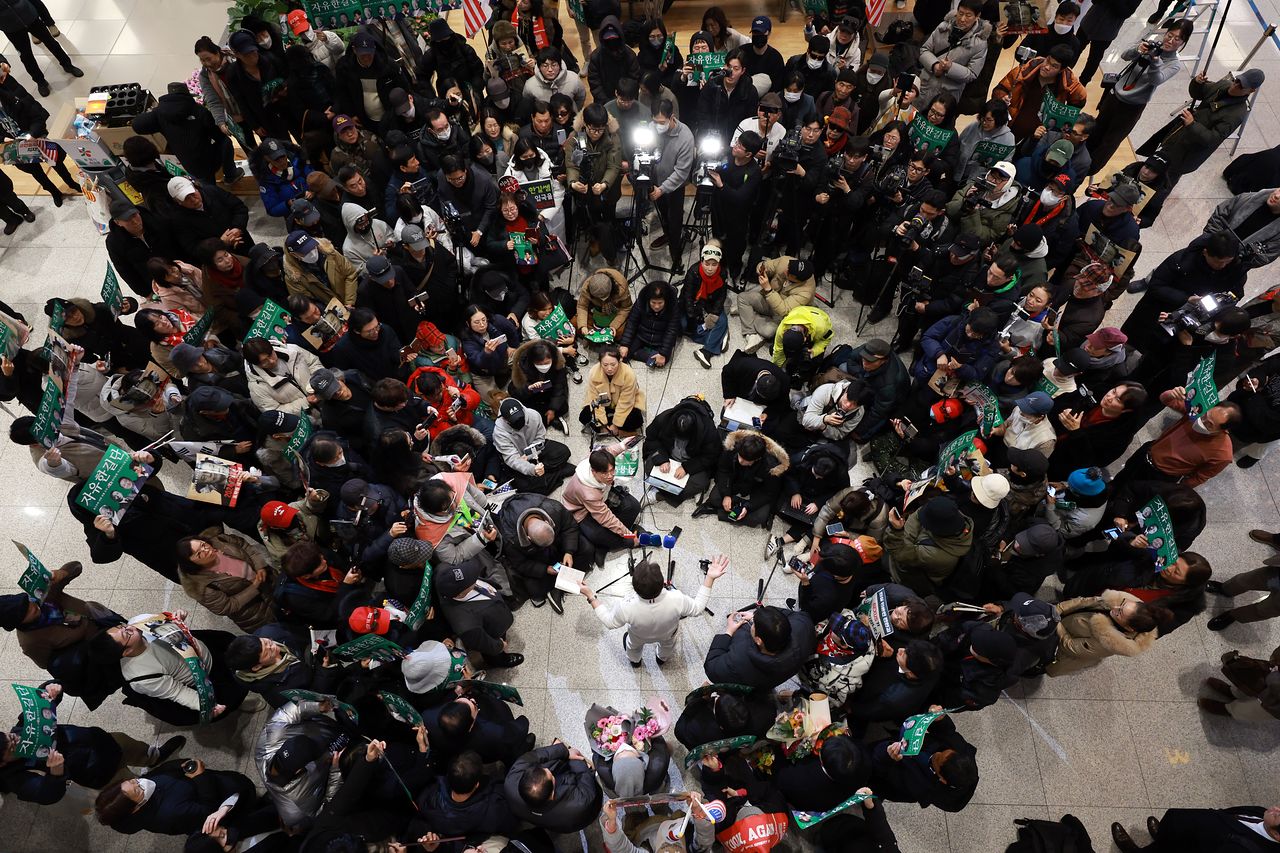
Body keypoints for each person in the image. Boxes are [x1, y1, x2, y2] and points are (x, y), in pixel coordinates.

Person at [91, 611, 259, 726]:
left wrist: (178, 616)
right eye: (126, 634)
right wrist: (208, 705)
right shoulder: (140, 677)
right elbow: (178, 692)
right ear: (126, 652)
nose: (130, 627)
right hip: (204, 675)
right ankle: (241, 701)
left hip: (203, 646)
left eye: (122, 626)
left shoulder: (137, 622)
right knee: (233, 691)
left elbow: (168, 622)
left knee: (234, 651)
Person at [1088, 20, 1193, 174]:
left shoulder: (1174, 64)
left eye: (1177, 39)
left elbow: (1156, 79)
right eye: (1170, 35)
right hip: (1114, 96)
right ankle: (1080, 159)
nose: (1170, 41)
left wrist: (1155, 61)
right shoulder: (1151, 44)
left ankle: (1090, 169)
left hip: (1132, 107)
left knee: (1110, 141)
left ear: (1183, 42)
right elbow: (1124, 56)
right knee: (1097, 128)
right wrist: (1138, 49)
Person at [583, 555, 727, 667]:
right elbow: (697, 608)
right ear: (662, 583)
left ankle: (635, 661)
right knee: (667, 646)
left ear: (634, 587)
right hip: (668, 634)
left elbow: (609, 622)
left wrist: (591, 596)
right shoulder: (677, 598)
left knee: (632, 646)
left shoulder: (626, 606)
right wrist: (709, 577)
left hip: (638, 636)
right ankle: (661, 659)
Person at [1139, 70, 1263, 189]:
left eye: (1241, 86)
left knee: (1165, 181)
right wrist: (1197, 83)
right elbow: (1198, 93)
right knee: (1152, 166)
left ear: (1251, 90)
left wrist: (1192, 125)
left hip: (1187, 152)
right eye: (1237, 81)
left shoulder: (1236, 114)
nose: (1235, 86)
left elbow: (1212, 139)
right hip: (1177, 135)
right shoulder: (1224, 85)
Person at [1114, 387, 1238, 489]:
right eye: (1206, 415)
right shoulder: (1197, 411)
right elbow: (1165, 399)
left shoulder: (1222, 455)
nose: (1202, 421)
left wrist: (1172, 489)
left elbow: (1199, 478)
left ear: (1224, 430)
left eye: (1209, 424)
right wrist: (1172, 394)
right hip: (1147, 452)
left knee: (1129, 496)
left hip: (1159, 477)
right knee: (1121, 478)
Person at [93, 760, 257, 836]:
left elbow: (159, 772)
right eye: (136, 789)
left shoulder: (143, 790)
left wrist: (182, 764)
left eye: (131, 781)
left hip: (205, 781)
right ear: (136, 808)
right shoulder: (171, 813)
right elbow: (208, 809)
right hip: (227, 797)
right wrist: (200, 777)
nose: (139, 782)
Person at [1046, 590, 1171, 676]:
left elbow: (1070, 646)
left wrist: (1056, 622)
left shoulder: (1109, 642)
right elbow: (1084, 601)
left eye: (1120, 613)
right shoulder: (1117, 602)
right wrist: (1058, 609)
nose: (1115, 608)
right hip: (1064, 622)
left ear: (1130, 628)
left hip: (1061, 648)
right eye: (1122, 605)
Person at [176, 532, 277, 633]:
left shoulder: (220, 540)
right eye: (199, 554)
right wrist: (255, 587)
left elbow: (244, 545)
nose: (206, 549)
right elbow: (227, 606)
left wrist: (259, 566)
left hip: (270, 581)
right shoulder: (201, 587)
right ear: (191, 563)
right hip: (257, 611)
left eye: (203, 544)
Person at [703, 605, 817, 689]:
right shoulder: (803, 626)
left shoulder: (738, 661)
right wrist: (757, 618)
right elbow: (793, 616)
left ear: (758, 640)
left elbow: (711, 667)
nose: (752, 624)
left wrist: (728, 632)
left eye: (754, 625)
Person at [561, 449, 640, 568]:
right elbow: (606, 518)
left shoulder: (594, 460)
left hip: (600, 501)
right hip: (580, 513)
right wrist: (628, 535)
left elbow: (609, 451)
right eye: (604, 473)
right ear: (593, 472)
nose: (610, 476)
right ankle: (607, 545)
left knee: (634, 506)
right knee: (599, 534)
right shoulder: (588, 494)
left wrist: (623, 445)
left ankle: (605, 545)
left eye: (612, 470)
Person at [694, 429, 789, 527]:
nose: (740, 461)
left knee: (759, 517)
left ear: (757, 459)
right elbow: (723, 470)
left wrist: (748, 507)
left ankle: (716, 511)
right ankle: (731, 508)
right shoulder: (733, 447)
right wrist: (726, 494)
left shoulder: (771, 467)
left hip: (755, 490)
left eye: (745, 460)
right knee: (715, 498)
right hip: (735, 482)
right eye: (740, 456)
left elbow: (768, 493)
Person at [992, 44, 1086, 142]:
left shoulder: (1069, 83)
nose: (1047, 67)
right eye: (1047, 61)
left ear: (1061, 70)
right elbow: (1000, 89)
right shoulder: (1024, 71)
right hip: (1008, 127)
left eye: (1054, 66)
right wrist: (1002, 98)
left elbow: (1080, 100)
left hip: (1038, 138)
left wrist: (1061, 120)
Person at [504, 741, 603, 833]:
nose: (547, 769)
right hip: (584, 814)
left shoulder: (511, 782)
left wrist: (565, 752)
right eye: (551, 776)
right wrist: (577, 761)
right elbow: (585, 781)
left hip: (548, 821)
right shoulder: (580, 802)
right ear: (551, 794)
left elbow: (534, 756)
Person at [643, 98, 695, 272]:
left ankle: (675, 251)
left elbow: (682, 171)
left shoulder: (685, 136)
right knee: (663, 215)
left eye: (662, 122)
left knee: (674, 219)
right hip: (655, 182)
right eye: (655, 121)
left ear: (672, 117)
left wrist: (663, 189)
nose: (658, 126)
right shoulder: (651, 129)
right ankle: (667, 234)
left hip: (674, 186)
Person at [885, 496, 974, 595]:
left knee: (887, 558)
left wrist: (897, 530)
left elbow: (900, 553)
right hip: (915, 552)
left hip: (917, 577)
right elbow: (919, 513)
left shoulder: (938, 555)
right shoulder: (953, 518)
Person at [1110, 804, 1280, 852]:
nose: (1275, 809)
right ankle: (1163, 835)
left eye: (1278, 816)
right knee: (1168, 834)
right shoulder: (1261, 813)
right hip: (1186, 830)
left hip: (1187, 845)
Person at [492, 397, 572, 496]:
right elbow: (512, 459)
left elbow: (540, 439)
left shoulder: (533, 415)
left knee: (564, 452)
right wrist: (532, 469)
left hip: (534, 450)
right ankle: (558, 472)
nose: (519, 423)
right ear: (505, 420)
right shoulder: (499, 433)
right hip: (518, 460)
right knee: (530, 489)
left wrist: (529, 455)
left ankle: (544, 475)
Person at [0, 0, 81, 97]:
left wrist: (47, 20)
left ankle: (68, 65)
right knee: (26, 56)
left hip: (31, 17)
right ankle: (40, 81)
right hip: (12, 28)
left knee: (51, 43)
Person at [738, 256, 816, 354]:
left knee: (768, 332)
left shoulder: (806, 292)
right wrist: (761, 268)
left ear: (798, 280)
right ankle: (751, 333)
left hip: (781, 315)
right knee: (742, 297)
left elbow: (784, 310)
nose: (785, 271)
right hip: (768, 298)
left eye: (788, 273)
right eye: (788, 266)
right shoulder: (785, 261)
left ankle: (748, 312)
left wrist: (768, 289)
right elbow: (767, 265)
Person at [917, 0, 989, 105]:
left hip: (947, 95)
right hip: (925, 84)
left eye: (968, 15)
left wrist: (951, 68)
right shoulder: (943, 27)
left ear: (977, 16)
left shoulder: (980, 42)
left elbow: (972, 74)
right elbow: (924, 50)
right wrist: (934, 65)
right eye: (960, 13)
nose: (963, 19)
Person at [580, 346, 646, 436]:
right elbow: (595, 399)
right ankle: (610, 427)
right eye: (605, 365)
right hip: (603, 404)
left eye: (613, 364)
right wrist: (603, 425)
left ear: (619, 361)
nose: (609, 368)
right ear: (600, 363)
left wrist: (615, 424)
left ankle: (617, 429)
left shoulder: (629, 374)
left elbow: (625, 402)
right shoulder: (594, 373)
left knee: (636, 419)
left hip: (623, 404)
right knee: (584, 416)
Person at [617, 280, 679, 368]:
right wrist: (625, 344)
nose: (656, 306)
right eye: (653, 302)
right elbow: (632, 323)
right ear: (648, 300)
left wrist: (663, 353)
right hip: (642, 335)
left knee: (662, 361)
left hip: (660, 338)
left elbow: (671, 331)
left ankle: (640, 354)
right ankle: (649, 356)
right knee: (623, 355)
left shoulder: (673, 307)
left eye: (660, 303)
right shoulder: (640, 303)